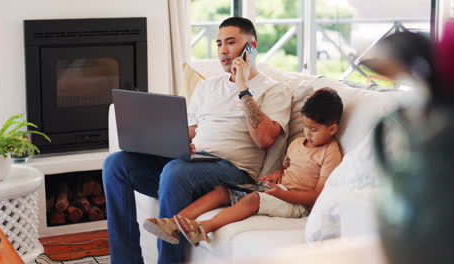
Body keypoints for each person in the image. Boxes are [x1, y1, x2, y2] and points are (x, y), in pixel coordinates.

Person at [102, 17, 291, 264]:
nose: (223, 50)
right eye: (219, 43)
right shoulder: (207, 87)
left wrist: (243, 87)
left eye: (231, 43)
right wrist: (166, 143)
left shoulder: (275, 90)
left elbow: (265, 139)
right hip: (193, 164)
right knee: (116, 164)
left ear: (251, 48)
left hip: (234, 172)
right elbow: (189, 133)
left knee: (176, 171)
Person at [143, 87, 344, 246]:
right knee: (223, 191)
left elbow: (318, 195)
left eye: (314, 129)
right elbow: (285, 169)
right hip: (277, 190)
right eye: (305, 126)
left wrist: (282, 194)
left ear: (333, 128)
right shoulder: (297, 144)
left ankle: (204, 228)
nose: (307, 133)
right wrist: (276, 175)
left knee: (252, 200)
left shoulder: (330, 153)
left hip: (296, 203)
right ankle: (173, 222)